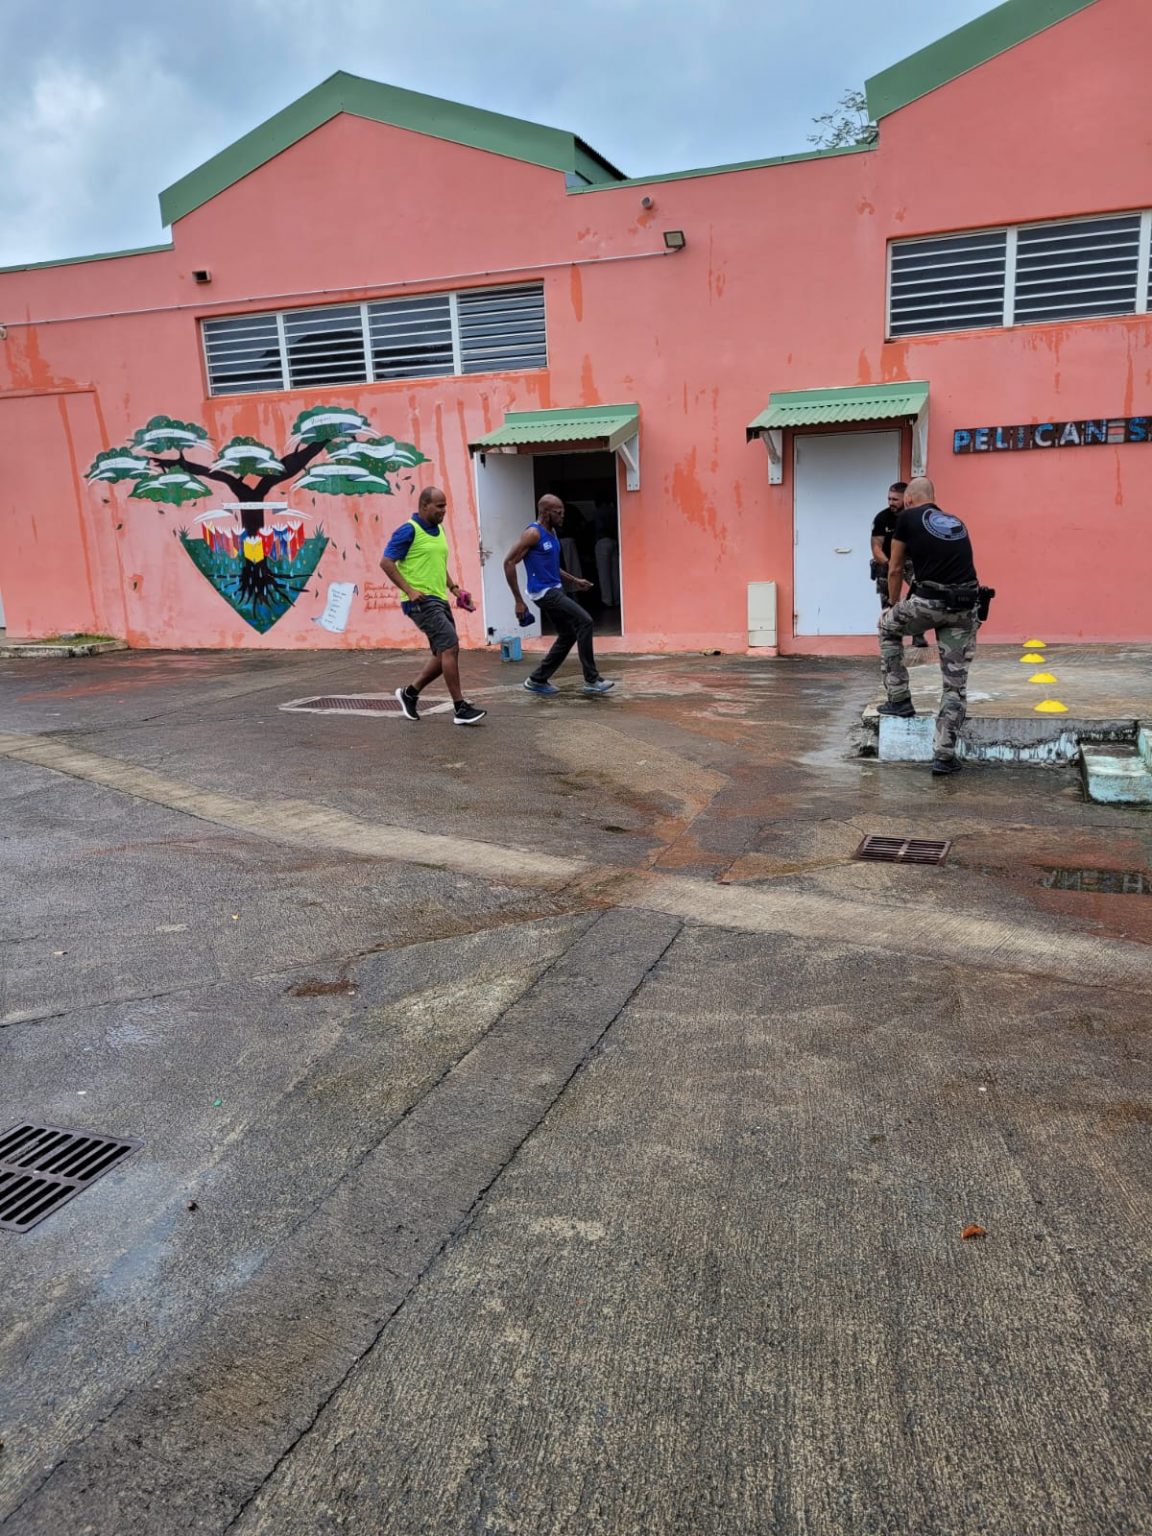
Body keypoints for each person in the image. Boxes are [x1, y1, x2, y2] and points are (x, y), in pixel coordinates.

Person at [877, 476, 980, 775]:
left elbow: (895, 568)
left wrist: (891, 605)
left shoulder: (907, 518)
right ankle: (944, 757)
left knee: (887, 627)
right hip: (964, 608)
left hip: (927, 604)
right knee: (954, 686)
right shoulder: (955, 521)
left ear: (909, 499)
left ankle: (899, 699)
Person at [379, 486, 486, 725]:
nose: (444, 510)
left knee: (444, 653)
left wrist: (455, 589)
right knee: (450, 646)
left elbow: (438, 564)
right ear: (424, 505)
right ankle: (460, 708)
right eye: (439, 506)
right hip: (421, 601)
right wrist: (409, 590)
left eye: (445, 506)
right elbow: (386, 562)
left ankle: (409, 694)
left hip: (439, 599)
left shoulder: (438, 530)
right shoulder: (409, 530)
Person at [503, 494, 615, 697]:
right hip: (544, 592)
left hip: (555, 589)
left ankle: (537, 679)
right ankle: (592, 680)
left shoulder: (552, 532)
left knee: (568, 635)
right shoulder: (533, 533)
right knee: (585, 621)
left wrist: (574, 580)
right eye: (558, 512)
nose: (563, 515)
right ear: (546, 512)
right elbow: (509, 562)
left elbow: (552, 566)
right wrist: (518, 601)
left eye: (563, 512)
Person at [871, 480, 927, 647]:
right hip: (887, 560)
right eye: (889, 499)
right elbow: (876, 548)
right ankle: (891, 637)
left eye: (895, 499)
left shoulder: (915, 517)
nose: (891, 503)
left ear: (906, 498)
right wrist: (890, 565)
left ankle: (918, 634)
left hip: (910, 560)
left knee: (919, 594)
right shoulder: (882, 518)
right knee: (888, 602)